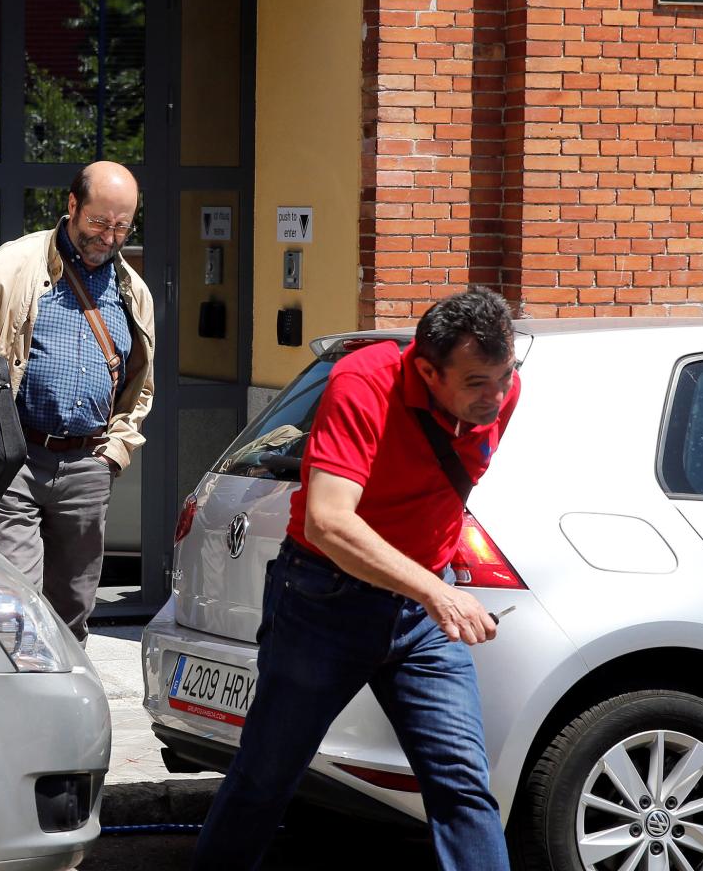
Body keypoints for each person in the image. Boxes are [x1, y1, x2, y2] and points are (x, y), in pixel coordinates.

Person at [192, 287, 522, 871]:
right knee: (267, 774)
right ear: (426, 369)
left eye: (504, 376)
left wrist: (433, 585)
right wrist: (436, 590)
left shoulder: (500, 389)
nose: (497, 397)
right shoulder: (362, 383)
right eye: (477, 383)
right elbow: (327, 522)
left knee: (463, 787)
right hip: (326, 600)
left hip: (421, 616)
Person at [0, 161, 154, 641]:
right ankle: (14, 704)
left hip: (88, 463)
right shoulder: (15, 264)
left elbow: (141, 388)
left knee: (73, 608)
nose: (109, 237)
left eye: (121, 227)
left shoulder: (132, 290)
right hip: (16, 459)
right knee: (17, 601)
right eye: (99, 222)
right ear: (72, 206)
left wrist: (113, 454)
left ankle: (61, 704)